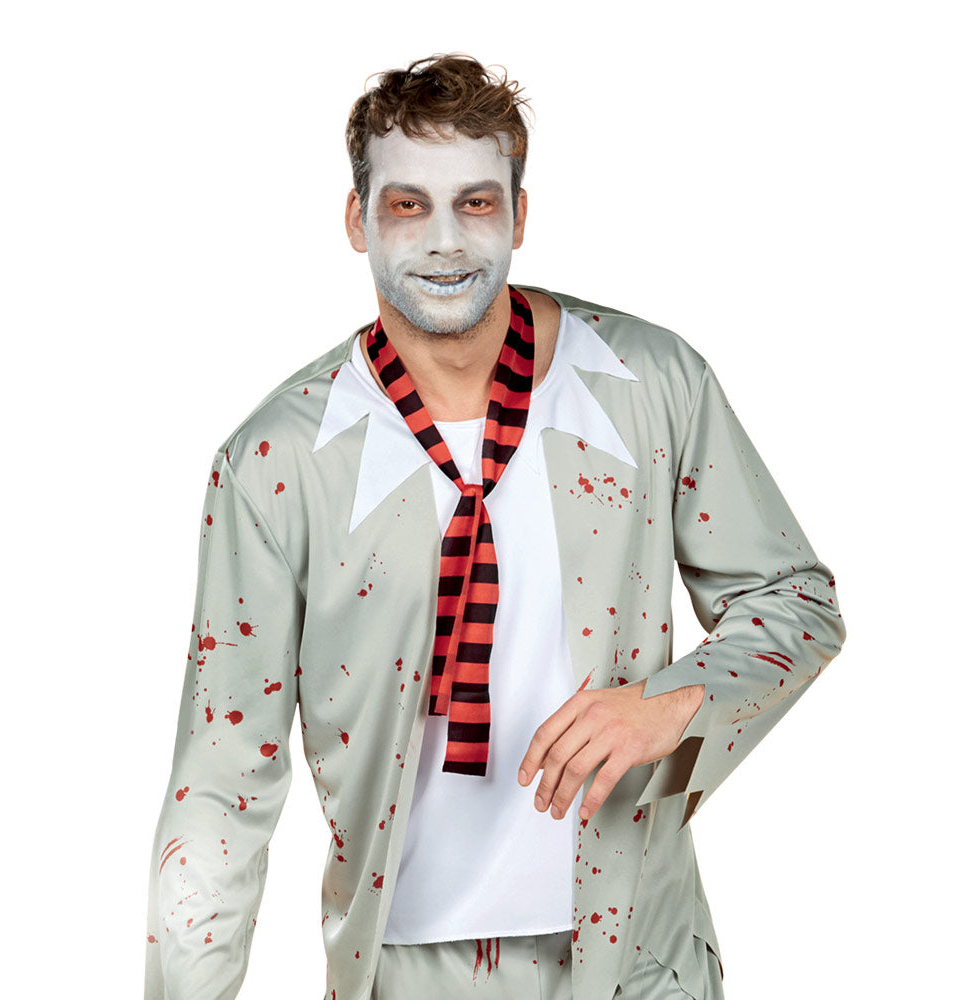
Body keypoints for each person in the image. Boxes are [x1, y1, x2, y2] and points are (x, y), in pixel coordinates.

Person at [144, 54, 845, 1000]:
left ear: (518, 217)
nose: (445, 241)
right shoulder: (276, 462)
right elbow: (223, 787)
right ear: (357, 221)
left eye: (475, 204)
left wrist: (669, 703)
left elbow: (794, 600)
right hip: (407, 968)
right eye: (408, 206)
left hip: (640, 953)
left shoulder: (654, 382)